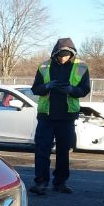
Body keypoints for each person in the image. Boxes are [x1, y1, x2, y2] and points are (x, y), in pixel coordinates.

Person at [29, 38, 90, 195]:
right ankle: (41, 182)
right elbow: (35, 89)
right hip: (46, 116)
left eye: (66, 55)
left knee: (64, 151)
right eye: (60, 55)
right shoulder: (44, 66)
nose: (63, 58)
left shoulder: (81, 67)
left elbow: (84, 90)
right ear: (55, 54)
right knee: (42, 150)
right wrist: (47, 86)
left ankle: (60, 182)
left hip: (67, 117)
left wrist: (70, 90)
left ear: (72, 54)